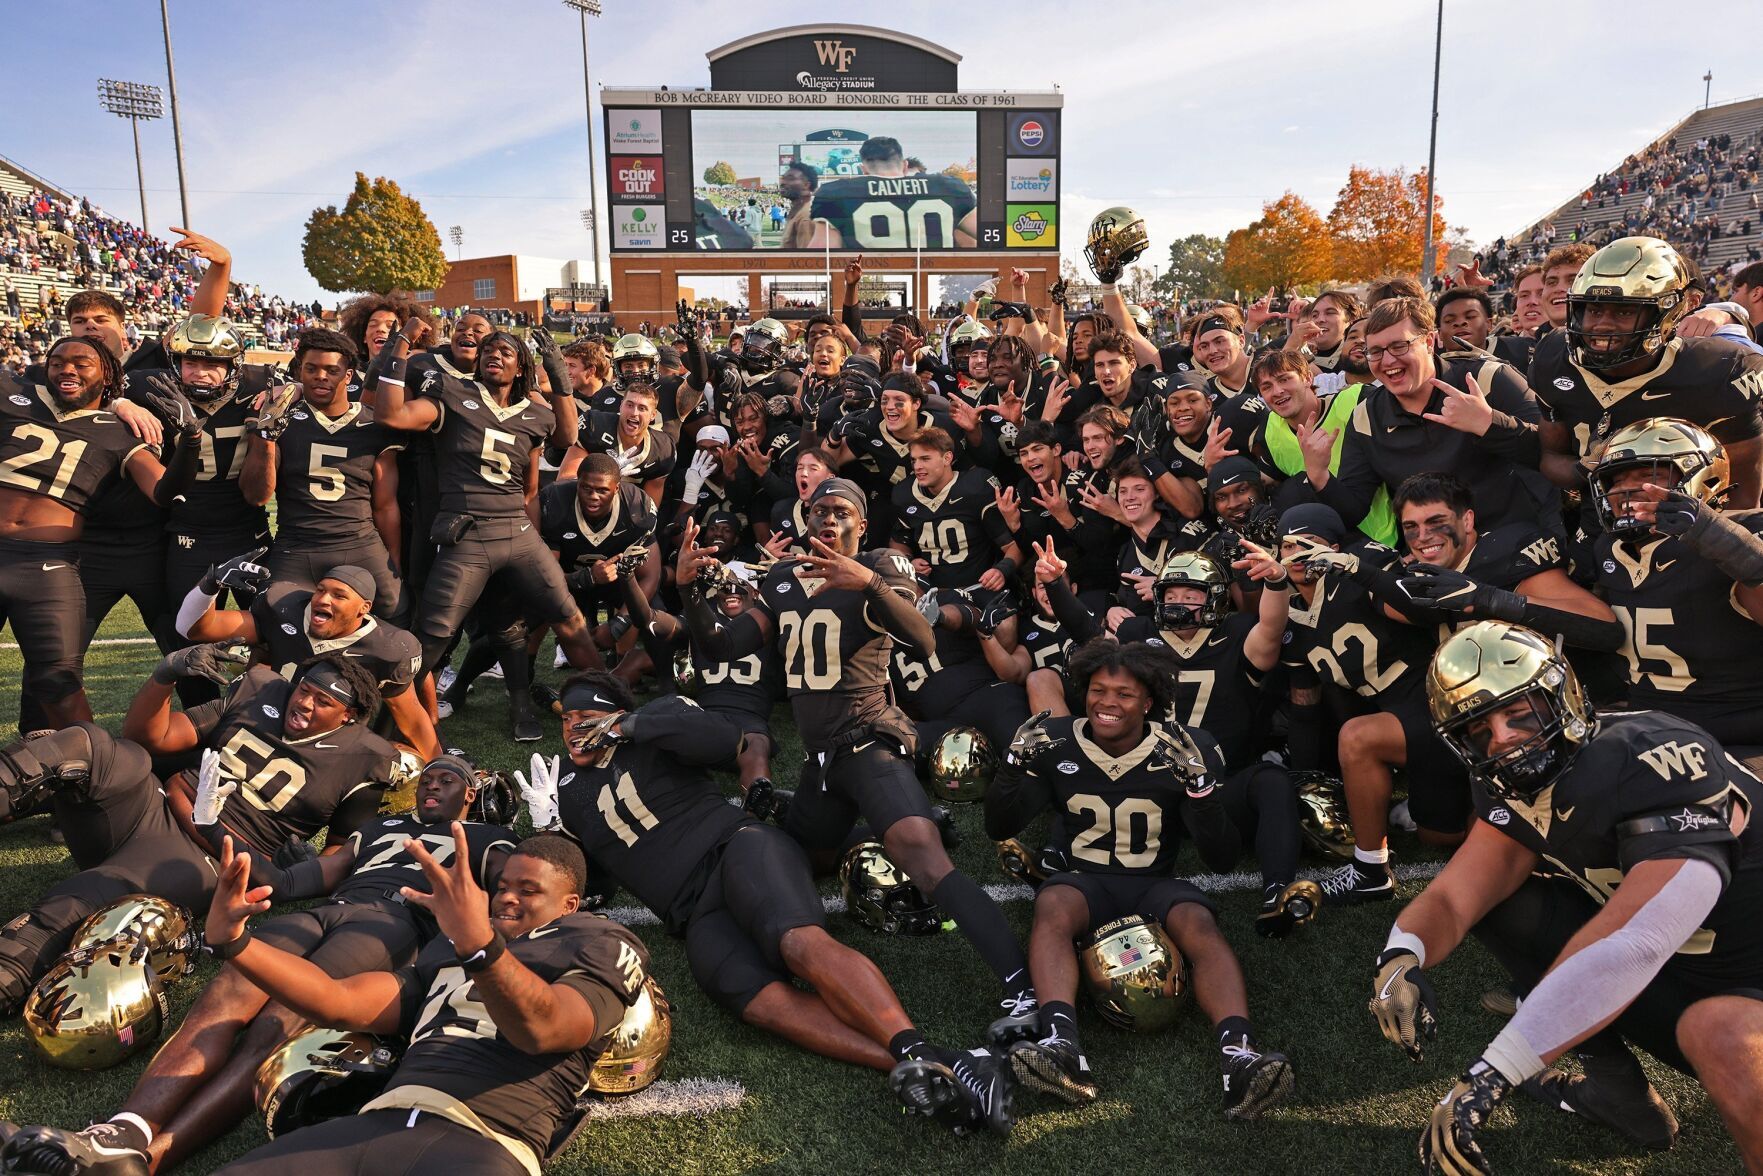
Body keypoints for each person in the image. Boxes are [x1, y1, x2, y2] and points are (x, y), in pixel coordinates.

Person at [545, 674, 1016, 1135]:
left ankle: (914, 1050)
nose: (573, 729)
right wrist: (553, 838)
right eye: (567, 720)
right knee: (752, 999)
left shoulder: (656, 723)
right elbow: (592, 878)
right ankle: (946, 1066)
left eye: (587, 716)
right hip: (691, 911)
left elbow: (728, 742)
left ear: (616, 713)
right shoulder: (564, 786)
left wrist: (631, 727)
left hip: (737, 849)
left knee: (798, 944)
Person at [1370, 621, 1763, 1172]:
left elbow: (1637, 942)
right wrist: (1400, 956)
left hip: (1739, 971)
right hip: (1679, 968)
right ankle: (1616, 1093)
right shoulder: (1507, 783)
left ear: (1563, 696)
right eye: (1478, 729)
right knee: (1501, 904)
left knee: (1717, 1033)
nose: (1503, 738)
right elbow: (1458, 895)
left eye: (1520, 712)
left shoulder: (1650, 754)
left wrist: (1489, 1077)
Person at [11, 757, 514, 1174]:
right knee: (220, 1002)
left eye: (446, 780)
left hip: (393, 924)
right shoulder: (379, 827)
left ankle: (151, 1159)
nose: (432, 786)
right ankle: (122, 1131)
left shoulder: (489, 838)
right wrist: (214, 827)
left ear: (469, 793)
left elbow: (517, 905)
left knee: (272, 1030)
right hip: (328, 911)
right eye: (427, 779)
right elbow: (293, 881)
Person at [679, 479, 1039, 1040]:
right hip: (820, 760)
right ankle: (899, 818)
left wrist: (869, 583)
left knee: (921, 855)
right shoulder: (783, 577)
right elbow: (724, 646)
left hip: (869, 739)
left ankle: (1023, 988)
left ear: (862, 525)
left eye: (841, 512)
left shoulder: (882, 568)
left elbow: (923, 640)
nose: (828, 520)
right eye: (819, 511)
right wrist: (688, 594)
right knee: (797, 857)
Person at [145, 832, 648, 1175]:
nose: (507, 899)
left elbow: (546, 1028)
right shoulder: (449, 950)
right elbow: (337, 1000)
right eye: (503, 887)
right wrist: (236, 943)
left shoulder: (599, 939)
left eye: (528, 890)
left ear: (569, 904)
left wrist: (481, 948)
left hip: (486, 1137)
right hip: (376, 1123)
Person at [986, 639, 1297, 1119]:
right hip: (1086, 883)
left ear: (1148, 701)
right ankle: (1062, 1045)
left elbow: (1221, 859)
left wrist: (1201, 792)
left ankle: (1240, 1056)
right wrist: (1012, 768)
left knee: (1198, 921)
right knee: (1052, 904)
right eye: (1097, 690)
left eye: (1124, 694)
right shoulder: (1057, 741)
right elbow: (998, 827)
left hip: (1153, 884)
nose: (1107, 703)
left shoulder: (1184, 747)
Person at [0, 651, 394, 1012]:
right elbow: (151, 737)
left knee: (77, 902)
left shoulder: (366, 759)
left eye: (323, 702)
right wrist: (164, 676)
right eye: (305, 690)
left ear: (349, 715)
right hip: (152, 807)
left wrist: (302, 869)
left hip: (200, 857)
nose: (305, 703)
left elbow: (341, 854)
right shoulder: (260, 690)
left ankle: (11, 968)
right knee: (90, 743)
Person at [371, 318, 600, 741]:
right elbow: (390, 413)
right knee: (433, 636)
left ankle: (609, 698)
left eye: (506, 351)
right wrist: (400, 345)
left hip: (516, 529)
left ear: (520, 367)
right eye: (488, 349)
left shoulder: (533, 411)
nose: (494, 354)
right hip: (468, 532)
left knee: (568, 617)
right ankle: (388, 721)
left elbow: (566, 434)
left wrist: (558, 372)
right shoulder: (453, 394)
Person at [0, 336, 198, 727]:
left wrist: (189, 441)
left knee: (58, 681)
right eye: (57, 362)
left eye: (80, 363)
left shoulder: (120, 431)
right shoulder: (13, 393)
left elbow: (164, 492)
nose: (66, 369)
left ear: (107, 373)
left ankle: (97, 770)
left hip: (46, 565)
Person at [174, 563, 439, 760]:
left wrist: (441, 766)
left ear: (364, 608)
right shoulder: (284, 608)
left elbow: (413, 721)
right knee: (168, 752)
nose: (322, 599)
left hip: (324, 746)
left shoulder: (387, 649)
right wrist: (211, 583)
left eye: (339, 595)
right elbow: (195, 629)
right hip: (260, 717)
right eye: (321, 590)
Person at [240, 327, 406, 619]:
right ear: (299, 372)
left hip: (359, 541)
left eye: (331, 370)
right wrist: (265, 436)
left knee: (396, 611)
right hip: (297, 544)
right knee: (271, 618)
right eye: (311, 369)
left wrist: (394, 559)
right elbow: (257, 495)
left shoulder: (372, 424)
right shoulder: (279, 418)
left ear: (348, 375)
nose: (321, 376)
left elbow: (385, 504)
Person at [808, 137, 977, 250]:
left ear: (863, 169)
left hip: (869, 275)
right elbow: (990, 234)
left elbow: (820, 254)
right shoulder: (949, 187)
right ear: (904, 165)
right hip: (937, 274)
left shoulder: (835, 194)